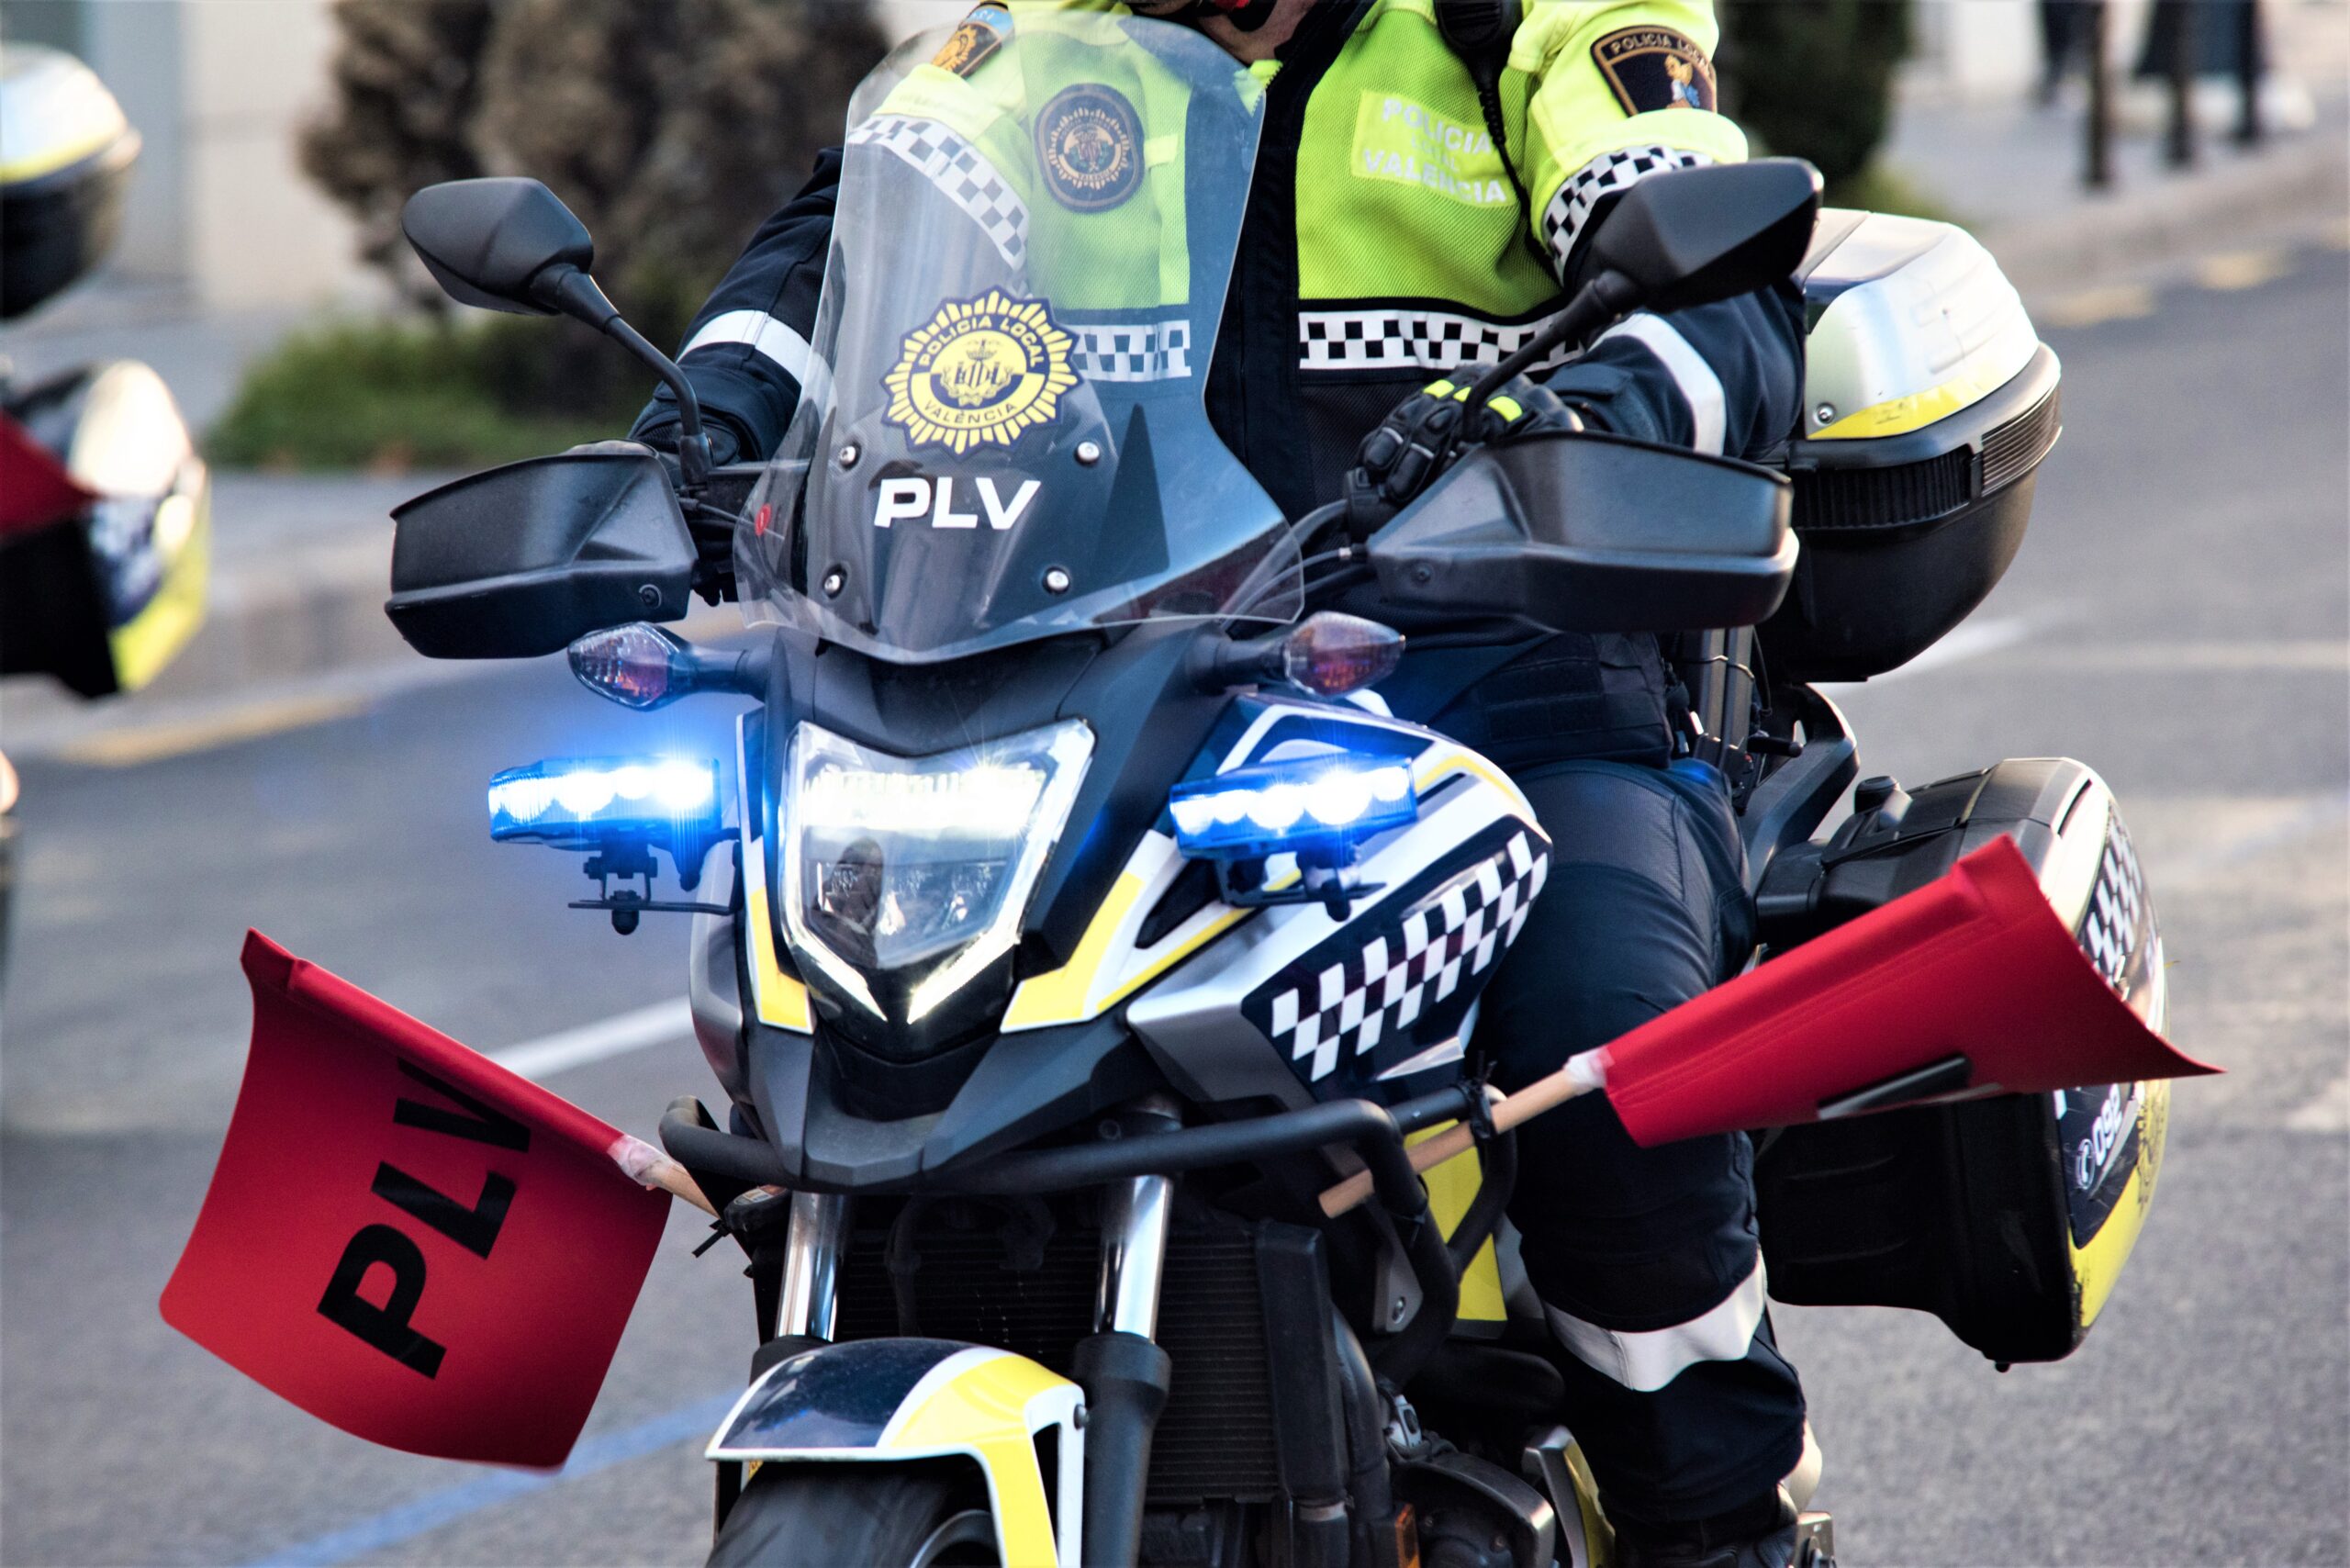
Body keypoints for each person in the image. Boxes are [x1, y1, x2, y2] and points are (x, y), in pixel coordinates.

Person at [632, 5, 1809, 1564]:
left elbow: (1716, 304)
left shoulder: (1533, 22)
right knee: (859, 1039)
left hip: (1508, 681)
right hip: (1111, 694)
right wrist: (689, 444)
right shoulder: (1023, 50)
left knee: (1610, 1054)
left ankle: (1716, 1527)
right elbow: (828, 266)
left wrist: (1569, 415)